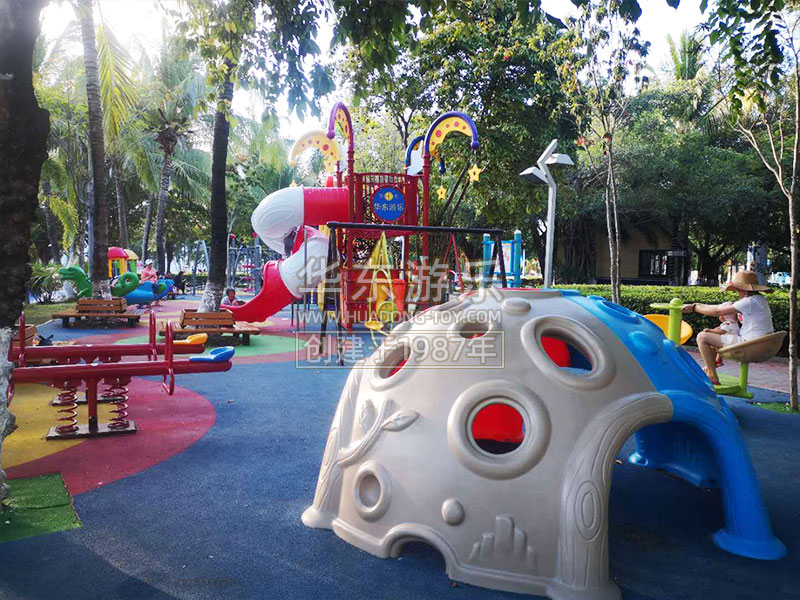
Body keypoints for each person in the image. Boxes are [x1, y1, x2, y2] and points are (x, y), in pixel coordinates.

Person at [682, 270, 773, 384]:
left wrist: (695, 308)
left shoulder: (749, 301)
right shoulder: (759, 299)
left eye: (737, 289)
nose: (737, 292)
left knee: (702, 337)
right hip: (760, 343)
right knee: (714, 336)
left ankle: (712, 374)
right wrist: (698, 305)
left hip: (750, 345)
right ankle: (711, 366)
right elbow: (719, 308)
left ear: (742, 289)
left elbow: (718, 311)